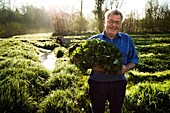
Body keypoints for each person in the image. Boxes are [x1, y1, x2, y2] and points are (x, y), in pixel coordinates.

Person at [88, 10, 139, 113]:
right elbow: (84, 61)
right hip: (97, 83)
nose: (114, 25)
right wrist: (95, 67)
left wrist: (125, 68)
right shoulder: (93, 40)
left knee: (116, 110)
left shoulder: (127, 39)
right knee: (97, 110)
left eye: (117, 22)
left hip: (118, 83)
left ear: (120, 24)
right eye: (111, 21)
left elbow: (134, 60)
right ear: (105, 22)